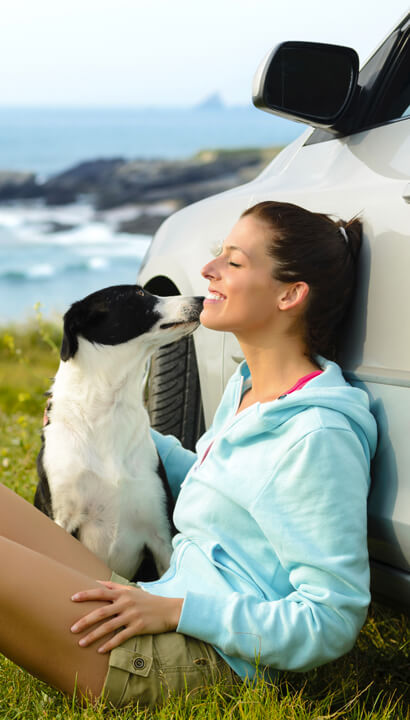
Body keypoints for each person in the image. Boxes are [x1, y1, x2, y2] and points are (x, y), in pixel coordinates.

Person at [0, 201, 377, 708]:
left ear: (290, 294)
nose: (207, 270)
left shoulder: (317, 435)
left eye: (234, 262)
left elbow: (330, 621)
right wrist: (84, 420)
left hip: (193, 655)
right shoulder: (249, 392)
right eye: (217, 254)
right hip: (151, 604)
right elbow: (211, 479)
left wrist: (180, 612)